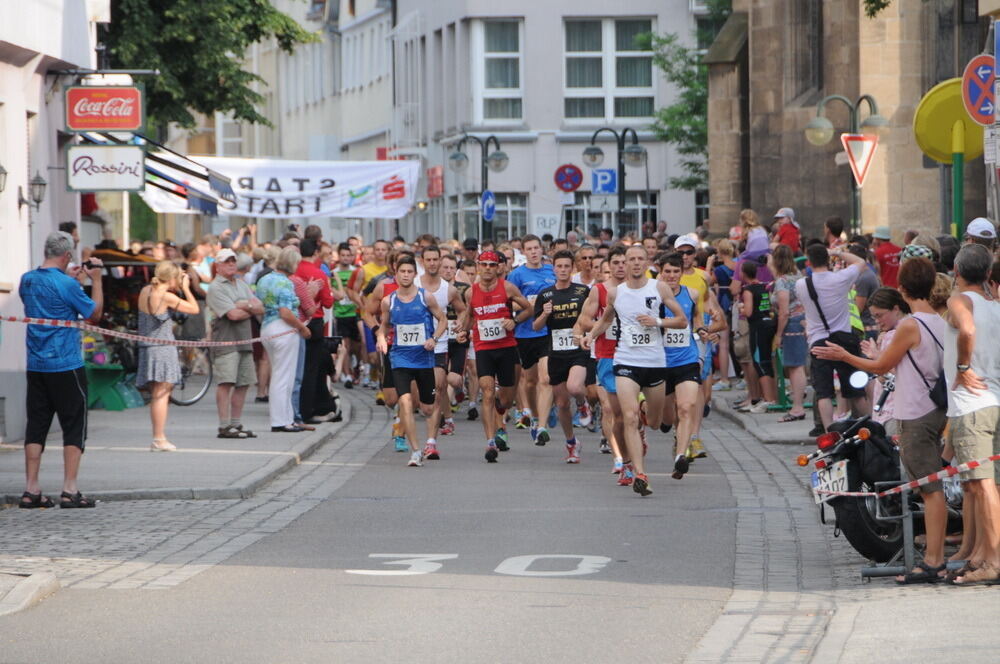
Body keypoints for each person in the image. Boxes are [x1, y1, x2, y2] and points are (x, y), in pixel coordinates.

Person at [812, 257, 947, 584]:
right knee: (930, 487)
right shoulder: (939, 322)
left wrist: (844, 357)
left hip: (916, 413)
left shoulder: (911, 326)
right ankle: (932, 554)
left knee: (930, 489)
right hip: (932, 410)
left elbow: (881, 366)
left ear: (901, 289)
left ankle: (933, 561)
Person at [583, 244, 688, 497]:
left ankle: (644, 415)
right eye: (632, 259)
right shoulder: (616, 293)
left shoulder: (658, 288)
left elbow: (682, 320)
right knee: (627, 417)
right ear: (625, 264)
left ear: (647, 262)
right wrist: (591, 335)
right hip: (625, 361)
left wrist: (658, 321)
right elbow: (607, 319)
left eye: (641, 259)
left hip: (654, 363)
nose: (636, 263)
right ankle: (640, 474)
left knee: (653, 422)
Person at [18, 232, 104, 508]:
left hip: (36, 364)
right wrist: (96, 281)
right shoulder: (67, 284)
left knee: (37, 424)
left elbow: (47, 303)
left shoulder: (27, 280)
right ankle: (70, 489)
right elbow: (94, 314)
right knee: (73, 425)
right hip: (66, 364)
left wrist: (72, 280)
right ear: (67, 255)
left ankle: (31, 489)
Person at [942, 245, 1000, 585]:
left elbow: (966, 329)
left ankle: (992, 559)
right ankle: (981, 552)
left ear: (956, 270)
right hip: (994, 399)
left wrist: (963, 366)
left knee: (981, 484)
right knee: (986, 486)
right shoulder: (995, 306)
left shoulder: (960, 300)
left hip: (972, 403)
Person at [460, 250, 533, 462]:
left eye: (492, 265)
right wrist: (464, 330)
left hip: (507, 346)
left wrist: (515, 321)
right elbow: (470, 315)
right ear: (478, 266)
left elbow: (528, 309)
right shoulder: (470, 292)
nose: (488, 269)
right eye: (484, 265)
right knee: (488, 392)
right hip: (484, 348)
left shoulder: (508, 288)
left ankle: (502, 412)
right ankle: (490, 442)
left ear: (498, 267)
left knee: (506, 398)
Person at [377, 255, 448, 466]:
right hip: (399, 357)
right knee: (405, 401)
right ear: (396, 274)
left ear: (415, 275)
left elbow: (443, 320)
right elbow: (384, 325)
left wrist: (434, 339)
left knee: (427, 408)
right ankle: (416, 451)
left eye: (409, 272)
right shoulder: (388, 301)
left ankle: (430, 441)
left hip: (424, 359)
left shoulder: (425, 297)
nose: (406, 275)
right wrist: (381, 338)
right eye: (402, 272)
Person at [795, 243, 871, 432]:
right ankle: (869, 427)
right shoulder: (841, 279)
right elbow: (861, 262)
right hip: (845, 339)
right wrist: (837, 252)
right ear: (828, 259)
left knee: (824, 392)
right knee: (855, 390)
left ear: (809, 262)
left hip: (818, 340)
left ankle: (830, 432)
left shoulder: (802, 284)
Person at [531, 250, 591, 462]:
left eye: (567, 266)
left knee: (575, 387)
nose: (563, 270)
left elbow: (593, 317)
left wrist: (584, 331)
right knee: (563, 404)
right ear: (553, 269)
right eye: (559, 267)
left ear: (572, 268)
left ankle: (583, 404)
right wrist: (545, 313)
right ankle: (571, 443)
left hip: (578, 350)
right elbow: (536, 326)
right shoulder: (545, 294)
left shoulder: (583, 291)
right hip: (556, 352)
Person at [576, 246, 629, 480]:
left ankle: (633, 442)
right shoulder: (599, 291)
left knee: (631, 412)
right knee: (609, 408)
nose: (620, 267)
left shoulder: (642, 290)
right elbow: (583, 321)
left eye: (623, 262)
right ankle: (618, 457)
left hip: (635, 355)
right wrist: (601, 324)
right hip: (606, 354)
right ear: (609, 267)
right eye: (615, 263)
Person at [136, 261, 199, 451]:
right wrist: (187, 289)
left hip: (147, 346)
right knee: (162, 395)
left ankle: (158, 436)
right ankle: (159, 437)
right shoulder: (165, 296)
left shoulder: (145, 291)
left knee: (157, 394)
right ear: (172, 278)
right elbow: (194, 309)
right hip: (162, 348)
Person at [656, 252, 706, 469]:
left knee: (687, 407)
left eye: (676, 271)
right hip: (660, 362)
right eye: (667, 271)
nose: (672, 275)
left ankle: (681, 456)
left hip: (687, 359)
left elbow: (697, 320)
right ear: (661, 272)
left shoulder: (692, 294)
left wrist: (703, 331)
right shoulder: (652, 295)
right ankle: (673, 431)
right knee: (665, 419)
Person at [207, 248, 262, 439]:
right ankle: (224, 425)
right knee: (226, 382)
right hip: (226, 341)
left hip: (244, 340)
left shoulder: (241, 284)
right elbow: (233, 315)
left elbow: (260, 306)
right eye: (226, 261)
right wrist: (248, 306)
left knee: (244, 382)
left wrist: (242, 305)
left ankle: (236, 424)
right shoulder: (216, 287)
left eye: (233, 261)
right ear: (218, 266)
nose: (231, 264)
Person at [257, 247, 313, 433]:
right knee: (285, 377)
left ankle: (285, 418)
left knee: (279, 374)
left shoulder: (265, 279)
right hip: (283, 328)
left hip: (267, 326)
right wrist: (302, 327)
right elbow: (286, 312)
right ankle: (282, 421)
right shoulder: (286, 283)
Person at [506, 234, 556, 441]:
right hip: (524, 333)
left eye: (537, 248)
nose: (534, 252)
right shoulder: (517, 275)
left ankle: (542, 426)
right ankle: (535, 416)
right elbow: (509, 304)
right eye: (530, 249)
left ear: (541, 250)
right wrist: (530, 304)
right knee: (530, 381)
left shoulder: (551, 272)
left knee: (546, 379)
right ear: (524, 252)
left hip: (546, 332)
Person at [419, 245, 466, 444]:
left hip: (439, 345)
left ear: (439, 261)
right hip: (414, 347)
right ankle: (446, 419)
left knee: (438, 388)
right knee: (419, 398)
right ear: (422, 262)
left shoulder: (450, 290)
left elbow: (463, 310)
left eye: (435, 260)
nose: (432, 263)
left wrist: (460, 325)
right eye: (428, 260)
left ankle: (431, 442)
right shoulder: (413, 283)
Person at [295, 238, 337, 424]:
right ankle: (307, 409)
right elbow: (328, 302)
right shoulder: (318, 273)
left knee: (294, 367)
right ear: (316, 253)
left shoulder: (294, 271)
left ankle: (294, 407)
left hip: (294, 321)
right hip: (314, 322)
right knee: (311, 369)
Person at [769, 245, 807, 422]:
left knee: (794, 365)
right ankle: (797, 402)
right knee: (796, 364)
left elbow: (784, 311)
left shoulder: (783, 281)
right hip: (801, 321)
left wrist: (778, 334)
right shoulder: (799, 276)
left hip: (791, 323)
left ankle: (797, 406)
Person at [739, 261, 777, 411]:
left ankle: (768, 399)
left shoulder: (748, 290)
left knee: (760, 362)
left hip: (757, 327)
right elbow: (769, 306)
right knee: (768, 360)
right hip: (768, 323)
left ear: (743, 273)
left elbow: (748, 312)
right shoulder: (764, 287)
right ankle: (772, 397)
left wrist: (741, 309)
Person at [331, 242, 362, 389]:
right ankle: (348, 374)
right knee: (346, 346)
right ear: (339, 256)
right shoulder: (334, 272)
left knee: (357, 345)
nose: (345, 258)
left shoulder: (356, 271)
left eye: (348, 255)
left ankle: (355, 366)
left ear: (352, 256)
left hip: (354, 312)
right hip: (340, 313)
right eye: (343, 255)